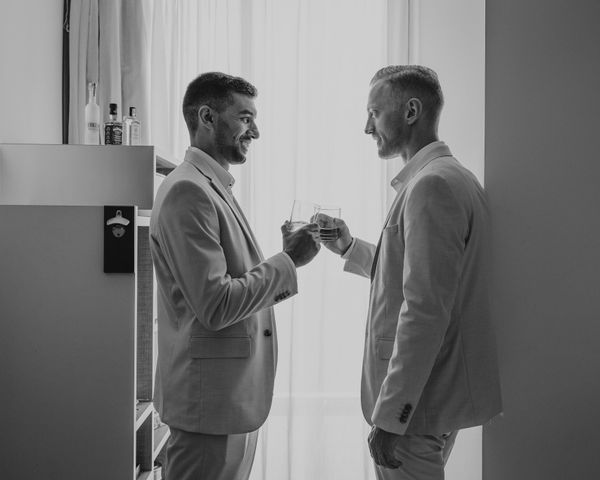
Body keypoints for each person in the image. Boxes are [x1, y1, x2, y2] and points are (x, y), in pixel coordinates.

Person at [320, 65, 502, 479]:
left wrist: (391, 418)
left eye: (374, 112)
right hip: (433, 400)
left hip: (416, 410)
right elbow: (424, 280)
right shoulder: (452, 178)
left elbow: (425, 310)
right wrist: (349, 247)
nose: (367, 126)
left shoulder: (431, 186)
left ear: (411, 110)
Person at [150, 72, 320, 480]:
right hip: (208, 409)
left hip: (226, 405)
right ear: (207, 117)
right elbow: (217, 304)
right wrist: (287, 261)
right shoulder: (187, 191)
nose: (255, 131)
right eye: (245, 118)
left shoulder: (208, 186)